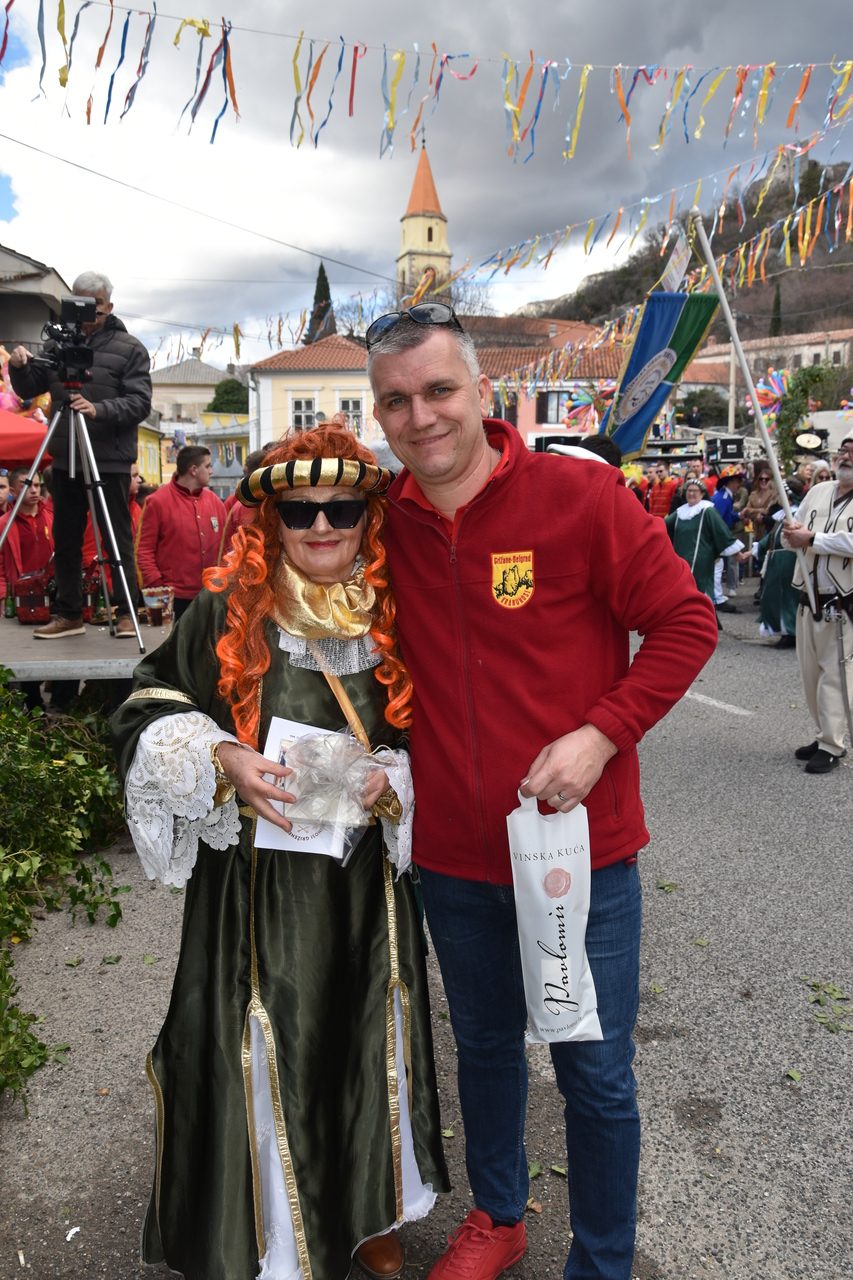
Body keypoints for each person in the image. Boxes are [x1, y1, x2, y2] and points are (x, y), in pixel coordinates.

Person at [365, 303, 719, 1280]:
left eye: (439, 390)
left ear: (484, 392)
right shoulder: (380, 521)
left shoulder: (580, 497)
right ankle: (499, 1215)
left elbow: (686, 622)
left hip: (579, 852)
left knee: (593, 1071)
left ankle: (601, 1260)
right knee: (482, 1049)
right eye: (395, 401)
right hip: (453, 857)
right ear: (378, 414)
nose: (420, 416)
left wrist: (601, 734)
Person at [110, 425, 449, 1280]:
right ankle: (269, 1233)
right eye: (300, 512)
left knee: (364, 1035)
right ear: (273, 521)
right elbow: (144, 704)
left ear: (367, 517)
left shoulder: (402, 611)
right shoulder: (229, 611)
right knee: (270, 1038)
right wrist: (221, 756)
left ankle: (370, 1208)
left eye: (341, 509)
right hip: (253, 889)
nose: (322, 526)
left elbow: (451, 730)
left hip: (364, 883)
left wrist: (395, 777)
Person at [7, 271, 151, 639]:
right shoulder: (57, 345)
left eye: (94, 305)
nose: (87, 312)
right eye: (79, 303)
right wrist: (18, 367)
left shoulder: (130, 348)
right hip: (67, 455)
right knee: (66, 538)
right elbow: (29, 388)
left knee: (116, 537)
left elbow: (140, 402)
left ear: (109, 306)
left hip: (109, 458)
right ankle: (69, 613)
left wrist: (98, 409)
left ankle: (126, 610)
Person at [782, 435, 853, 775]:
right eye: (843, 451)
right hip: (808, 597)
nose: (846, 456)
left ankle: (832, 744)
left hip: (843, 601)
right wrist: (791, 533)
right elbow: (794, 532)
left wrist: (812, 538)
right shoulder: (819, 491)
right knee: (810, 673)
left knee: (835, 675)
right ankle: (823, 731)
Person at [135, 445, 227, 620]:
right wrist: (156, 585)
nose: (212, 471)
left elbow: (228, 545)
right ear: (194, 470)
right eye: (207, 466)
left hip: (211, 592)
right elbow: (143, 549)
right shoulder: (157, 502)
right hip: (173, 596)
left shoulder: (215, 502)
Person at [665, 479, 748, 621]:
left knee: (700, 589)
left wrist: (736, 552)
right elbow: (662, 526)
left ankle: (704, 622)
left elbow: (721, 531)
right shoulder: (680, 512)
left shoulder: (707, 510)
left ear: (702, 493)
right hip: (681, 559)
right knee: (682, 590)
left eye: (695, 491)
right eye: (689, 491)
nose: (691, 494)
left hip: (701, 560)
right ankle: (686, 621)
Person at [0, 469, 53, 598]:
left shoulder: (51, 518)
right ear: (12, 491)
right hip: (18, 596)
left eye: (37, 485)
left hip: (52, 594)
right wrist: (3, 596)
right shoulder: (3, 524)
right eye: (27, 485)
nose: (34, 490)